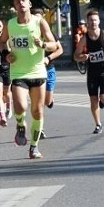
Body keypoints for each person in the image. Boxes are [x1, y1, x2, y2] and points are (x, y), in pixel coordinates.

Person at [0, 0, 57, 159]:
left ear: (29, 4)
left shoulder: (39, 22)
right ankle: (20, 125)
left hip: (38, 72)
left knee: (38, 112)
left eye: (23, 0)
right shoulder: (10, 24)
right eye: (17, 1)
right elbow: (2, 42)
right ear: (15, 6)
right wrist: (6, 54)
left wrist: (43, 44)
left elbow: (54, 45)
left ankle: (34, 147)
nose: (21, 3)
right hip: (19, 72)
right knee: (21, 106)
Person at [74, 9, 104, 134]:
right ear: (87, 22)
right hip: (92, 72)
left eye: (95, 20)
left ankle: (102, 103)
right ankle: (98, 124)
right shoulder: (84, 39)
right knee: (93, 100)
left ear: (99, 21)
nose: (93, 23)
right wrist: (82, 57)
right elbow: (76, 55)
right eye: (90, 20)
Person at [31, 8, 64, 139]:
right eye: (35, 18)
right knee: (38, 103)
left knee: (47, 101)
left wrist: (48, 58)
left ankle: (50, 99)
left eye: (40, 18)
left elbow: (59, 50)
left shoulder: (49, 34)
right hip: (34, 71)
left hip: (48, 68)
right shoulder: (28, 34)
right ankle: (40, 128)